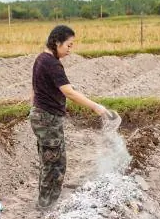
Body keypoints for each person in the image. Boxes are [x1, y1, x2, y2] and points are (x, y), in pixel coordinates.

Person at [29, 25, 108, 208]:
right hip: (47, 118)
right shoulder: (52, 63)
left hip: (41, 116)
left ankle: (46, 202)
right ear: (57, 42)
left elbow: (34, 88)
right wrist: (95, 107)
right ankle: (47, 206)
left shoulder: (41, 58)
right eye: (69, 46)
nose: (70, 50)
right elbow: (68, 92)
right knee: (55, 164)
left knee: (50, 160)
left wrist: (33, 110)